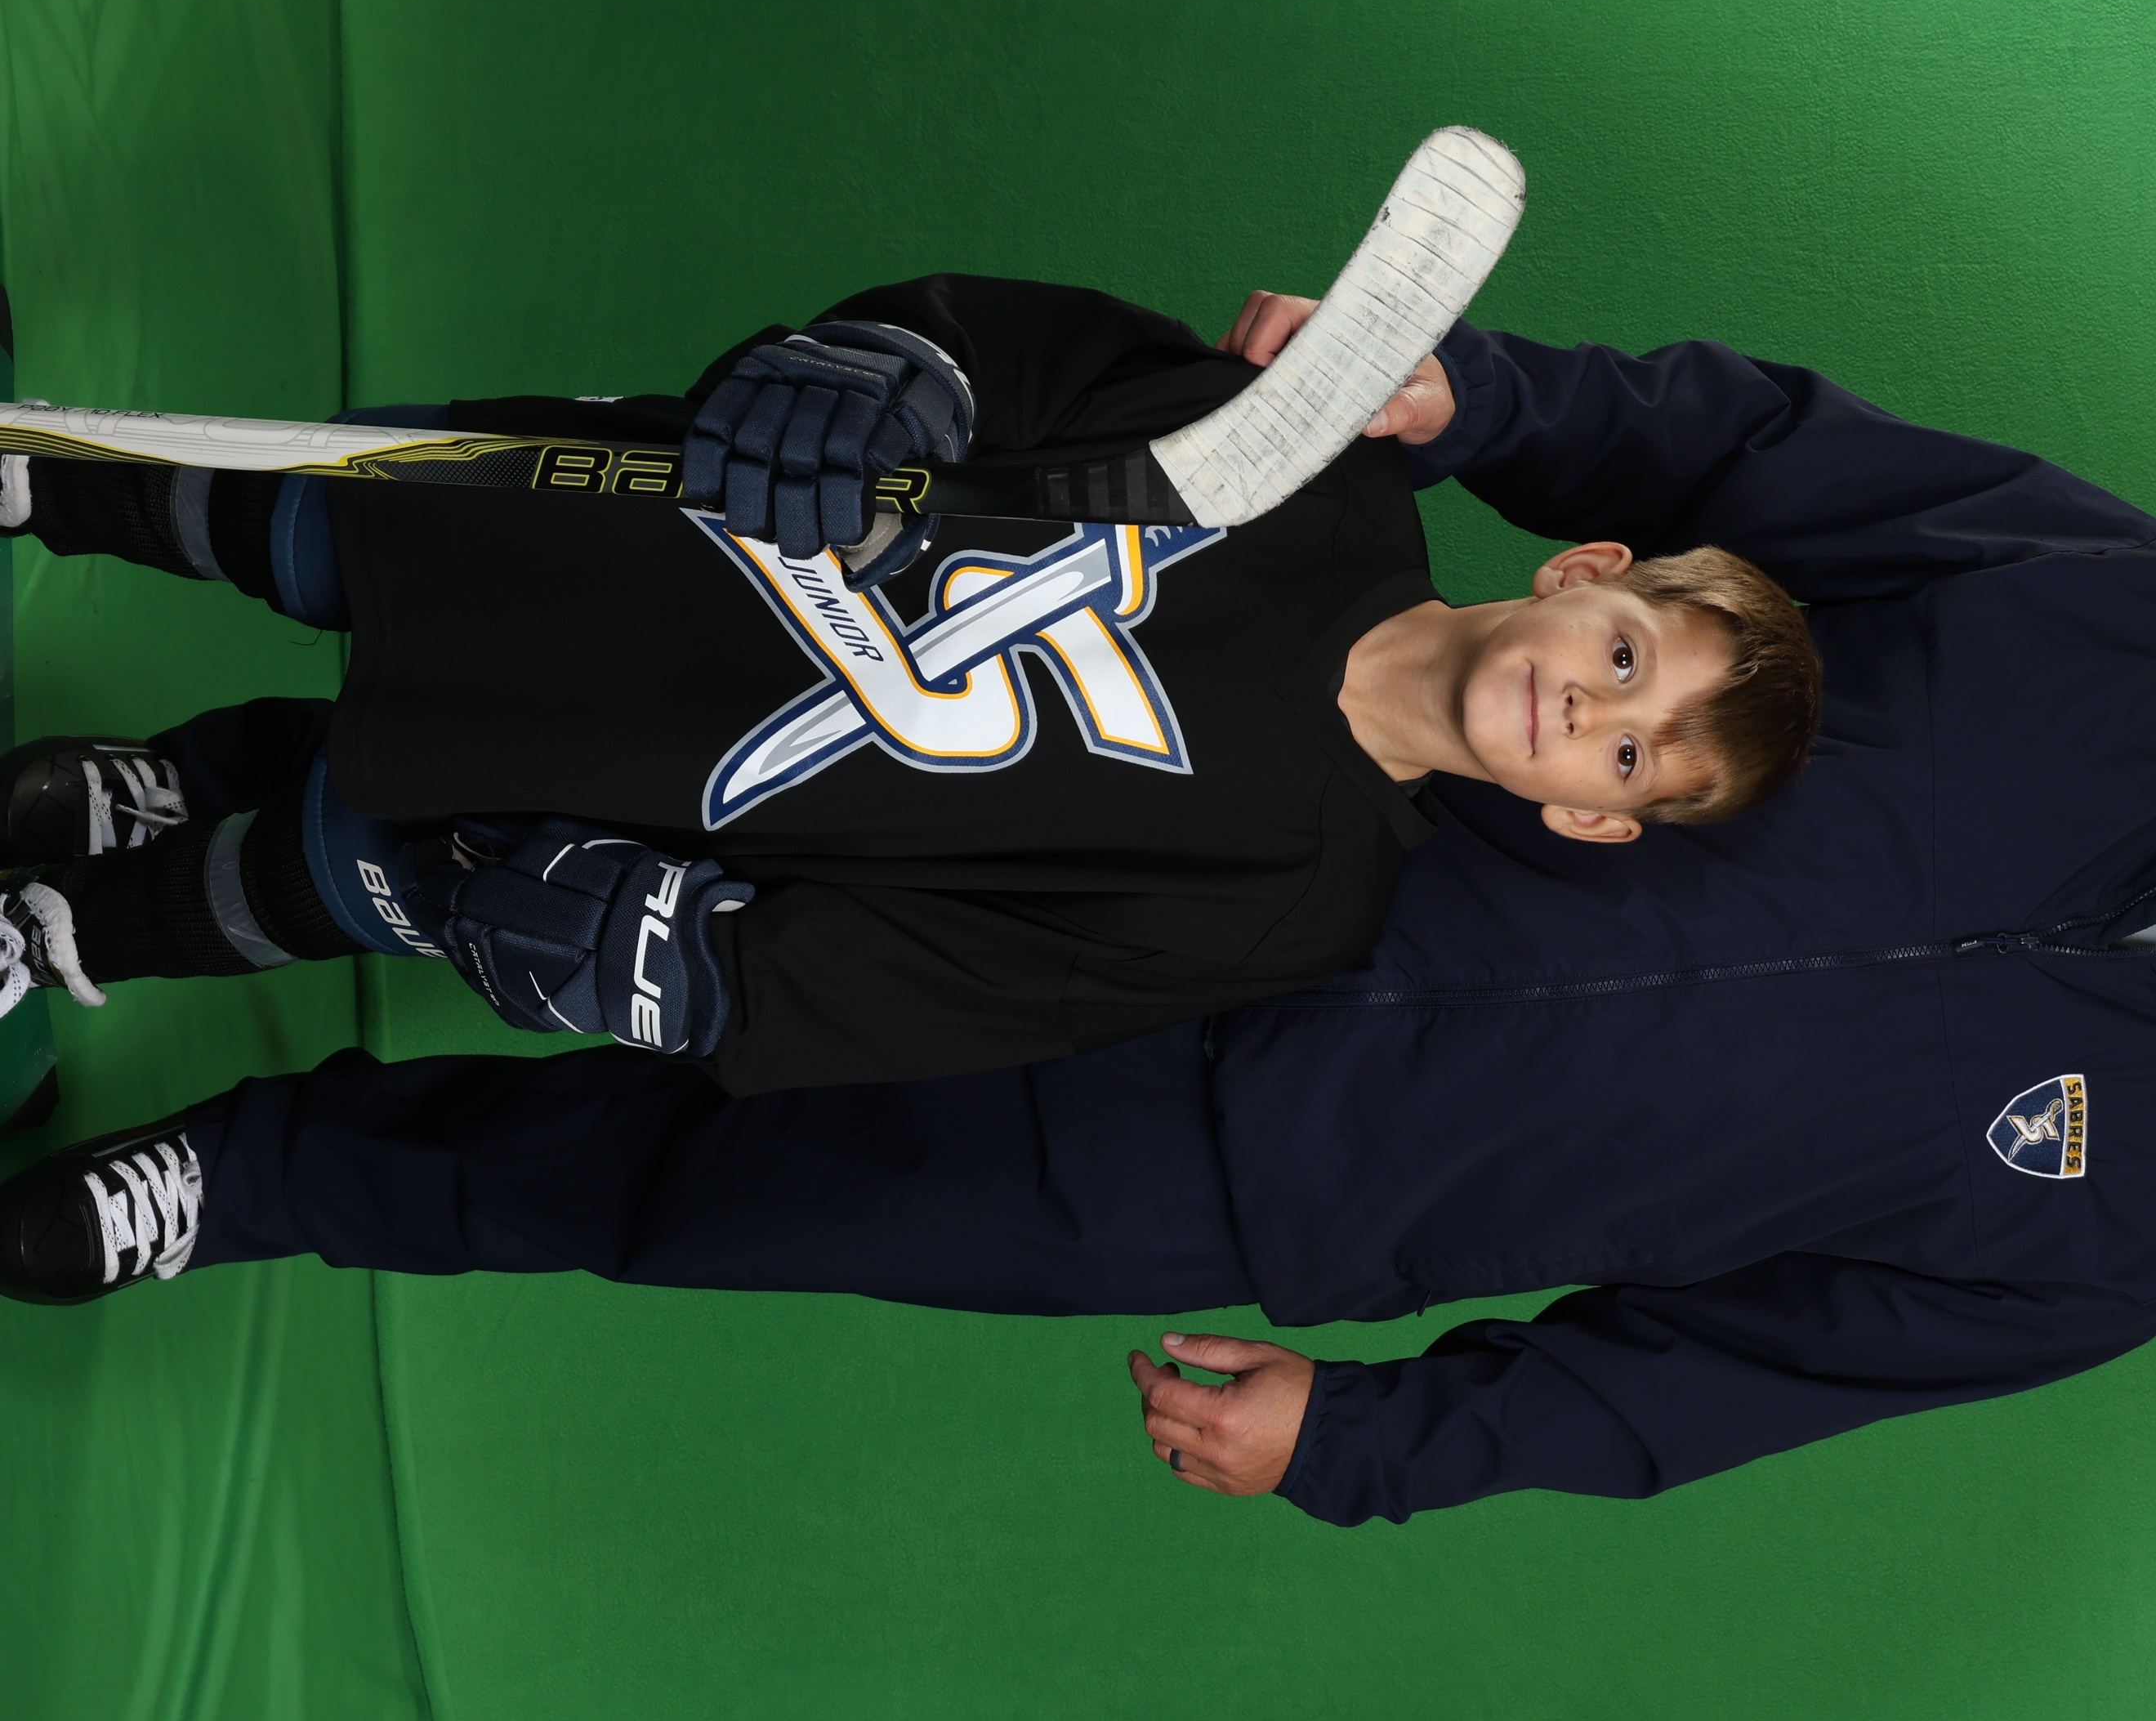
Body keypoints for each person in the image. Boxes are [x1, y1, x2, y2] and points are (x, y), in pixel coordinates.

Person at [0, 291, 2156, 1530]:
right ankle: (185, 819)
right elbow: (1747, 450)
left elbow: (1720, 1376)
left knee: (696, 1150)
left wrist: (1385, 1442)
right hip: (1227, 833)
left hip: (1240, 1174)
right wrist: (1474, 396)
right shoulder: (2130, 619)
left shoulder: (2152, 1230)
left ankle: (257, 1174)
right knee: (730, 773)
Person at [0, 276, 1820, 1090]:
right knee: (301, 523)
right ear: (1584, 571)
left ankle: (61, 927)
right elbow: (1034, 360)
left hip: (640, 779)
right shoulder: (1319, 463)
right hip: (621, 540)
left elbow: (985, 984)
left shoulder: (1304, 898)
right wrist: (899, 366)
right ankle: (31, 474)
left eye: (1633, 758)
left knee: (329, 868)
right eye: (1627, 657)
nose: (1596, 712)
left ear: (1591, 822)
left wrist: (714, 975)